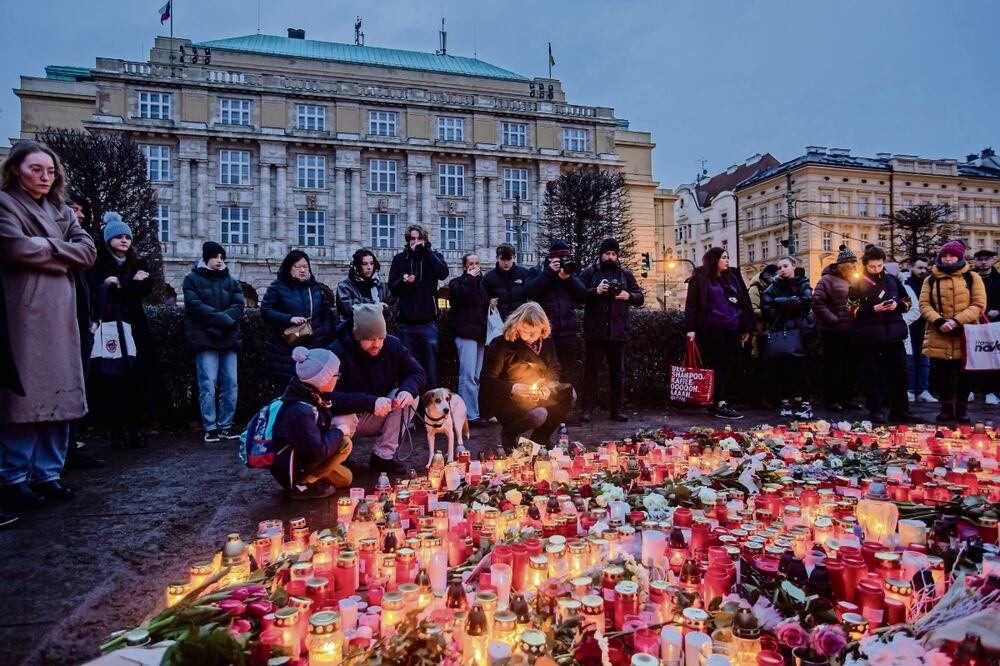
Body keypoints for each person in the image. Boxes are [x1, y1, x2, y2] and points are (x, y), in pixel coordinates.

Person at [0, 140, 97, 510]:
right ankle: (13, 476)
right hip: (26, 310)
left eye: (50, 171)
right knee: (25, 395)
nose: (44, 177)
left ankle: (48, 473)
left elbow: (87, 252)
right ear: (15, 170)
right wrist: (62, 251)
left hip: (62, 311)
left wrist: (47, 246)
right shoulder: (5, 204)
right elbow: (15, 247)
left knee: (62, 392)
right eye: (35, 169)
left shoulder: (60, 209)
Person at [86, 212, 159, 449]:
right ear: (108, 240)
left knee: (136, 377)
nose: (124, 240)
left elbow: (144, 288)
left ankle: (136, 429)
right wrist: (129, 284)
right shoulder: (98, 263)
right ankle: (115, 432)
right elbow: (99, 290)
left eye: (127, 236)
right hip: (108, 326)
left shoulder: (139, 264)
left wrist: (118, 284)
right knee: (111, 378)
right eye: (118, 236)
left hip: (134, 326)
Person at [327, 304, 426, 475]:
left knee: (411, 399)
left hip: (379, 410)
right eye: (370, 339)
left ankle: (382, 457)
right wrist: (369, 402)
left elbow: (417, 372)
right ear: (357, 336)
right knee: (342, 421)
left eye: (381, 338)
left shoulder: (392, 345)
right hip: (346, 415)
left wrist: (407, 390)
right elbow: (329, 397)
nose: (377, 344)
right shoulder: (336, 352)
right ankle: (339, 456)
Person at [480, 302, 576, 450]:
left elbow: (554, 367)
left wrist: (549, 386)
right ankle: (509, 434)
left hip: (537, 394)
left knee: (569, 394)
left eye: (535, 331)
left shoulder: (546, 341)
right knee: (539, 414)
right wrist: (513, 388)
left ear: (543, 328)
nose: (531, 336)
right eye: (526, 330)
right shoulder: (501, 344)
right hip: (508, 399)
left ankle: (539, 439)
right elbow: (487, 381)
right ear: (517, 325)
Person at [269, 347, 355, 500]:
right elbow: (317, 451)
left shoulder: (310, 394)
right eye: (336, 374)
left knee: (345, 479)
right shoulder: (300, 410)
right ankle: (302, 484)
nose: (338, 378)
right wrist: (340, 431)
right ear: (323, 379)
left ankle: (313, 477)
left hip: (303, 457)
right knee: (345, 443)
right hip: (292, 465)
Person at [918, 241, 987, 424]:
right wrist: (939, 321)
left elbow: (979, 305)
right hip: (939, 332)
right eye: (944, 256)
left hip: (966, 333)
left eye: (952, 255)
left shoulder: (972, 277)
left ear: (960, 257)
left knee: (965, 374)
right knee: (941, 374)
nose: (948, 259)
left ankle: (962, 409)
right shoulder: (930, 279)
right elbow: (924, 305)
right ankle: (946, 409)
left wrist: (957, 321)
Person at [183, 241, 245, 443]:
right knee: (207, 383)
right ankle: (210, 427)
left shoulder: (232, 280)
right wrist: (222, 320)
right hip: (205, 337)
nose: (219, 261)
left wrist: (218, 322)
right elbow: (194, 305)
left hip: (227, 337)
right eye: (215, 257)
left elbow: (238, 306)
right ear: (206, 257)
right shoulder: (191, 279)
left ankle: (225, 426)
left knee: (231, 383)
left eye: (221, 257)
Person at [682, 247, 754, 420]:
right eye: (723, 257)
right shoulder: (700, 277)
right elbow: (691, 304)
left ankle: (721, 400)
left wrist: (746, 327)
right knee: (717, 364)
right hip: (712, 328)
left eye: (728, 257)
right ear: (714, 259)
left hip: (733, 327)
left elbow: (744, 301)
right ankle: (719, 402)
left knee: (728, 365)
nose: (727, 260)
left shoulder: (733, 276)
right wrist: (690, 329)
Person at [579, 238, 644, 422]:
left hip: (618, 331)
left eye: (614, 254)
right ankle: (587, 408)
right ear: (601, 254)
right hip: (596, 331)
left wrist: (628, 295)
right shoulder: (590, 273)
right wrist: (595, 291)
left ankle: (617, 409)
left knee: (618, 373)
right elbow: (578, 294)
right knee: (592, 371)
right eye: (607, 253)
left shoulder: (625, 274)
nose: (610, 257)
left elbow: (640, 297)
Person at [847, 246, 914, 424]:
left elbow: (907, 302)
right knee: (872, 374)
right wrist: (872, 309)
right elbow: (851, 309)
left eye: (880, 265)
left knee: (900, 373)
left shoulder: (892, 280)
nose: (877, 269)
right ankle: (875, 409)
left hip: (894, 334)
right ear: (865, 266)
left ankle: (901, 409)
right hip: (869, 336)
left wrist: (897, 305)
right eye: (873, 267)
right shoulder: (857, 283)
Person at [63, 192, 104, 470]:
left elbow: (91, 286)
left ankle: (68, 448)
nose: (79, 215)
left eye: (81, 211)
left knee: (76, 390)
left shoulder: (81, 246)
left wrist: (93, 319)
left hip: (82, 327)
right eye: (73, 209)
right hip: (57, 328)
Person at [261, 250, 336, 389]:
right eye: (298, 266)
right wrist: (289, 319)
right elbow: (266, 311)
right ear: (289, 268)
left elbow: (326, 313)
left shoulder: (315, 288)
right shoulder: (277, 287)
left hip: (314, 348)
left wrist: (323, 332)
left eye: (305, 267)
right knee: (286, 391)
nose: (302, 270)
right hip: (285, 350)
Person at [388, 225, 448, 389]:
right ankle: (409, 406)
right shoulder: (400, 259)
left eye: (419, 238)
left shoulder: (433, 256)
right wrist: (403, 281)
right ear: (408, 241)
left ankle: (431, 408)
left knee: (431, 367)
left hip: (427, 322)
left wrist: (426, 252)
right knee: (407, 368)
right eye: (412, 239)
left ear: (425, 240)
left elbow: (443, 273)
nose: (416, 242)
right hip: (405, 323)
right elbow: (392, 287)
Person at [524, 240, 588, 385]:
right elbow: (529, 291)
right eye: (559, 258)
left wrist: (568, 278)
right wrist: (549, 273)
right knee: (545, 370)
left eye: (565, 258)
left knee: (567, 371)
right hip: (545, 333)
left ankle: (564, 403)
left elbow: (583, 295)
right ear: (550, 258)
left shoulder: (570, 275)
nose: (562, 261)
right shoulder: (538, 272)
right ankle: (545, 402)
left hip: (568, 333)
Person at [761, 256, 815, 419]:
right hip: (781, 330)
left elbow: (806, 301)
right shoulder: (773, 286)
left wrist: (780, 302)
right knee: (782, 369)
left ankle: (805, 406)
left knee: (802, 369)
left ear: (793, 266)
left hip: (801, 331)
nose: (782, 269)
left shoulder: (802, 282)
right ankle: (785, 404)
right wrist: (792, 304)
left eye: (785, 266)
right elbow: (766, 307)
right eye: (780, 267)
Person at [812, 246, 860, 412]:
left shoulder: (855, 280)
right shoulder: (827, 280)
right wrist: (833, 319)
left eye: (856, 263)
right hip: (832, 331)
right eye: (852, 263)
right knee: (833, 366)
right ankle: (831, 399)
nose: (855, 266)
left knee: (851, 366)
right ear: (843, 264)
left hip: (852, 330)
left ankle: (847, 399)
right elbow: (818, 302)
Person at [448, 253, 490, 427]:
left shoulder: (482, 286)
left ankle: (474, 412)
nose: (475, 266)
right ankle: (468, 415)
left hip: (479, 335)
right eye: (471, 264)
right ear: (465, 267)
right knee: (467, 376)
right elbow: (463, 297)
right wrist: (470, 279)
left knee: (476, 375)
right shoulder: (457, 283)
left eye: (477, 263)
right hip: (465, 334)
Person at [902, 257, 936, 403]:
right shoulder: (904, 284)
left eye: (924, 268)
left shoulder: (928, 284)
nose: (923, 271)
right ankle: (909, 389)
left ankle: (923, 390)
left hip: (926, 327)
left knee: (924, 361)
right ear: (910, 267)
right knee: (909, 361)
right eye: (919, 268)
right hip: (909, 327)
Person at [972, 249, 999, 405]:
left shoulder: (998, 279)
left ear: (993, 260)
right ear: (975, 260)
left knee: (992, 357)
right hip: (972, 322)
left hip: (993, 324)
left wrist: (998, 310)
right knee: (971, 357)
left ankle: (990, 391)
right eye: (980, 259)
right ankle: (971, 389)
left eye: (986, 259)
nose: (983, 262)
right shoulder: (968, 278)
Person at [336, 248, 392, 323]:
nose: (369, 267)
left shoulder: (381, 286)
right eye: (365, 264)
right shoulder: (344, 286)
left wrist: (386, 310)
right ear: (358, 265)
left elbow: (391, 313)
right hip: (352, 331)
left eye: (371, 263)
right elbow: (347, 308)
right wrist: (374, 306)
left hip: (378, 330)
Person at [483, 243, 531, 320]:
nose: (506, 263)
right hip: (499, 322)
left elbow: (533, 294)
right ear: (497, 258)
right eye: (502, 259)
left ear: (514, 257)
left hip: (522, 320)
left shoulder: (524, 273)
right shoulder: (488, 277)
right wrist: (489, 302)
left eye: (508, 259)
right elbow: (482, 299)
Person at [748, 264, 779, 334]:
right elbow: (752, 309)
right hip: (761, 330)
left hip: (774, 328)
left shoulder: (775, 287)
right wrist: (768, 312)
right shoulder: (755, 288)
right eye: (776, 275)